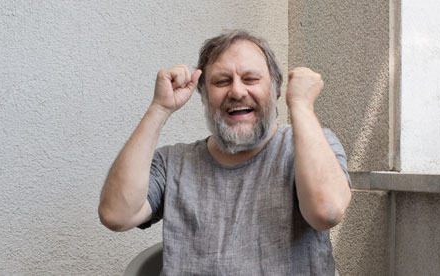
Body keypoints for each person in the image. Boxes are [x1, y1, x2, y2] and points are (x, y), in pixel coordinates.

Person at [98, 30, 352, 276]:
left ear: (275, 90)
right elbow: (116, 215)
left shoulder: (311, 146)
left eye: (251, 79)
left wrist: (302, 105)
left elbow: (326, 212)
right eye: (221, 81)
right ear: (205, 95)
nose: (237, 91)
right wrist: (159, 108)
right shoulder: (172, 163)